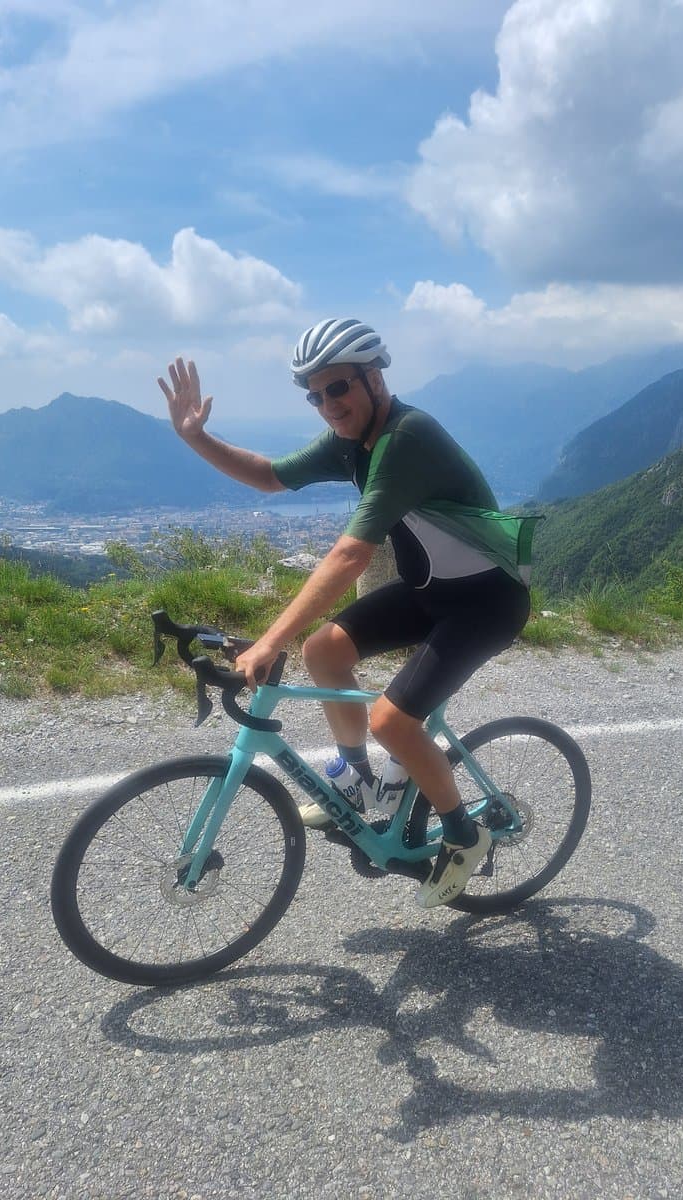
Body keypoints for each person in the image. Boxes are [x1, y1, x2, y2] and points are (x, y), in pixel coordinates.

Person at [158, 318, 531, 908]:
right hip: (431, 589)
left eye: (339, 388)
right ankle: (357, 783)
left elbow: (352, 553)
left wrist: (269, 639)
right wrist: (195, 437)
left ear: (375, 377)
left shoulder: (409, 436)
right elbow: (269, 476)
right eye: (315, 394)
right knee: (323, 651)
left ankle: (464, 834)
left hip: (487, 602)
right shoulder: (353, 442)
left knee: (392, 722)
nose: (328, 404)